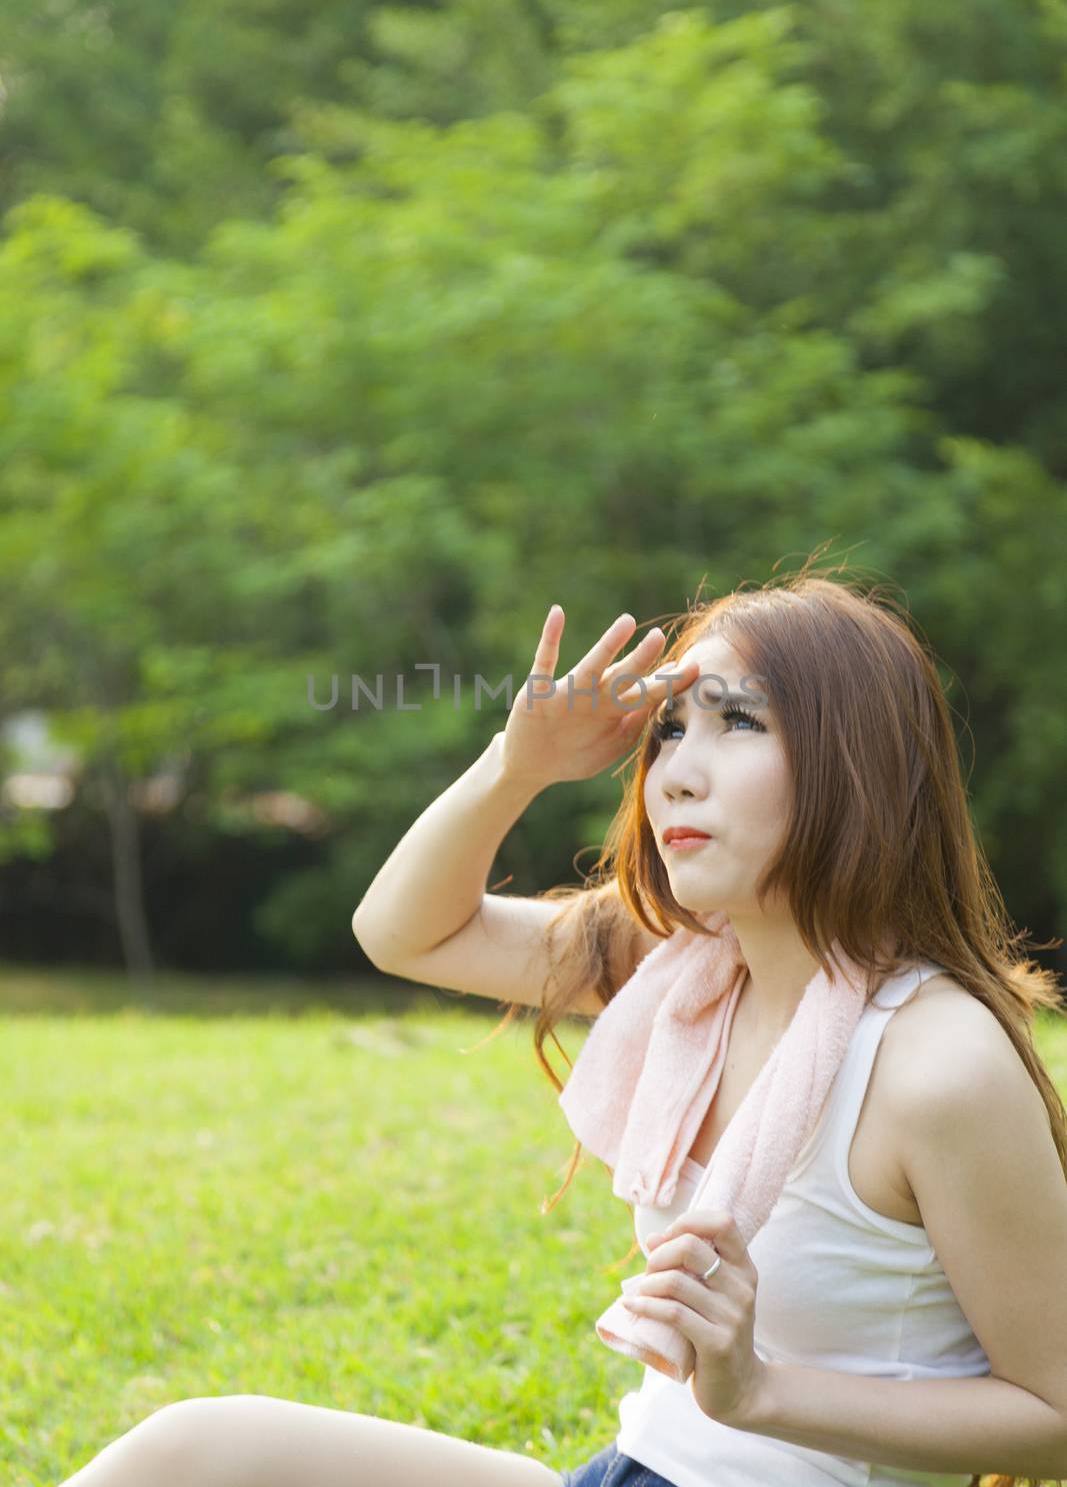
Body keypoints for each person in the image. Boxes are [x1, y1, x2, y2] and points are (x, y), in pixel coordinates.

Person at [57, 569, 1067, 1487]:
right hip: (629, 1472)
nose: (674, 769)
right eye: (669, 729)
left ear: (858, 761)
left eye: (737, 722)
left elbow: (1054, 1417)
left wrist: (758, 1392)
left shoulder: (935, 1064)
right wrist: (515, 764)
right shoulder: (691, 969)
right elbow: (403, 930)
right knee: (194, 1450)